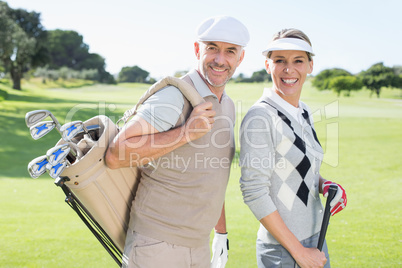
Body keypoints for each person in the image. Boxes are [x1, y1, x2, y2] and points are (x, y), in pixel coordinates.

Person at [105, 15, 249, 268]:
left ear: (240, 58)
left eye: (230, 51)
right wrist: (186, 133)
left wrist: (221, 233)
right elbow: (117, 154)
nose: (220, 59)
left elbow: (212, 178)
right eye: (212, 48)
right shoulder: (173, 96)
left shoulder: (227, 105)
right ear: (197, 50)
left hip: (199, 245)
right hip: (157, 245)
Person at [239, 29, 347, 268]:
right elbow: (254, 191)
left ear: (310, 65)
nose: (289, 69)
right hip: (284, 251)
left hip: (314, 238)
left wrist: (324, 184)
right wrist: (299, 252)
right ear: (268, 65)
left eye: (298, 60)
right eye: (280, 61)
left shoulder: (303, 111)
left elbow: (298, 166)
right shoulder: (260, 117)